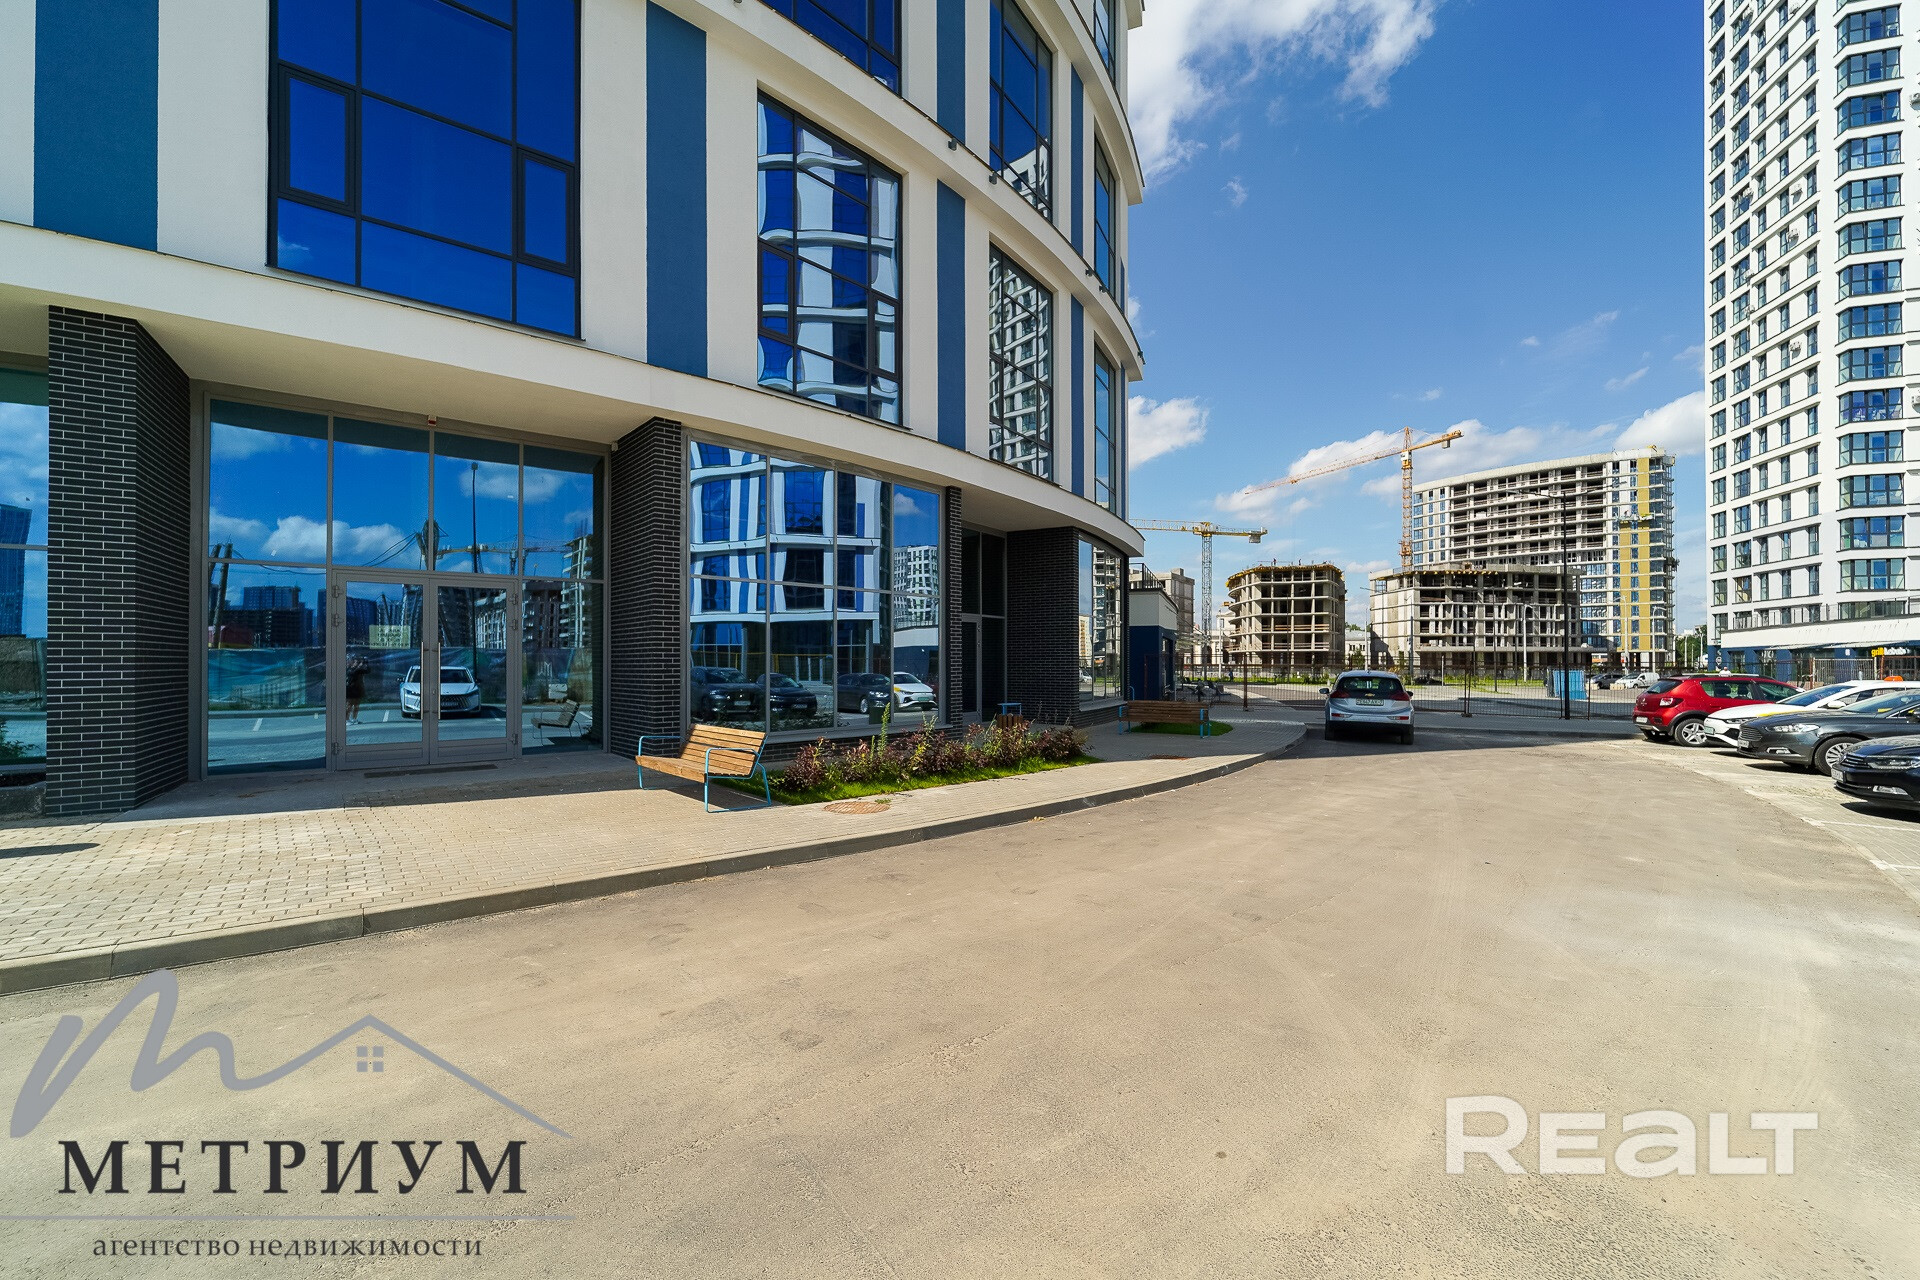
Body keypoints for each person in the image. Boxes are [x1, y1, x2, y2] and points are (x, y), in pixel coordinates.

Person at [345, 657, 368, 724]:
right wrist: (358, 667)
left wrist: (366, 663)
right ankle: (346, 719)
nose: (357, 663)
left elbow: (367, 671)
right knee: (349, 705)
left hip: (358, 689)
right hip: (350, 689)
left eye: (358, 662)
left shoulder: (359, 670)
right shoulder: (349, 669)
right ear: (352, 662)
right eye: (356, 662)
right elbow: (352, 673)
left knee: (357, 705)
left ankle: (354, 718)